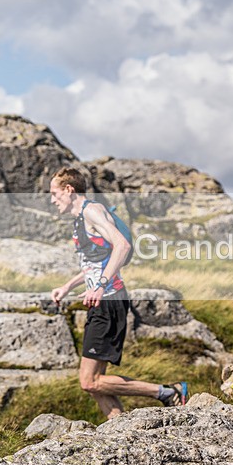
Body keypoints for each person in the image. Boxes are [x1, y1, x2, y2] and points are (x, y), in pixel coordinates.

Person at [49, 167, 188, 419]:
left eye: (54, 193)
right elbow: (96, 263)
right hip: (102, 301)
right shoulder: (80, 218)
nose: (51, 199)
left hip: (110, 300)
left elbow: (122, 246)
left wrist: (101, 285)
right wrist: (68, 286)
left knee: (89, 381)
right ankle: (117, 428)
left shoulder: (92, 210)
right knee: (95, 382)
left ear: (69, 190)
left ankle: (168, 392)